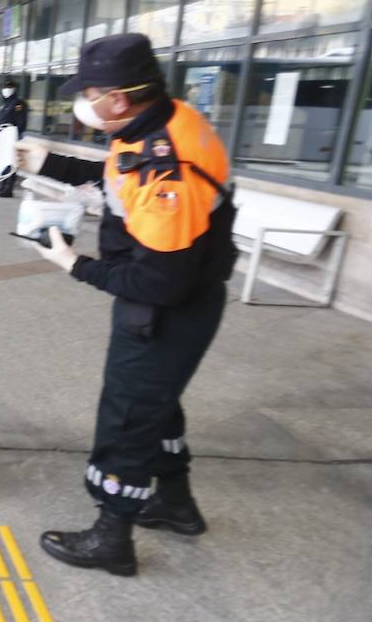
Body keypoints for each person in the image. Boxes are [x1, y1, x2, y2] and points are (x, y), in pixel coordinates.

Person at [16, 33, 235, 577]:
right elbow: (118, 176)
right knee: (158, 404)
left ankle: (112, 536)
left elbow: (159, 281)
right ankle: (177, 505)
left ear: (117, 98)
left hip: (165, 309)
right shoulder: (167, 120)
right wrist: (51, 162)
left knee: (130, 411)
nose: (83, 101)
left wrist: (75, 264)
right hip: (188, 298)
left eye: (89, 91)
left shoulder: (165, 171)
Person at [0, 78, 28, 197]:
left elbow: (21, 121)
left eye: (9, 87)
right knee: (1, 160)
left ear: (14, 89)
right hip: (2, 136)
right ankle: (1, 185)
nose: (6, 90)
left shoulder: (18, 104)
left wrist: (16, 136)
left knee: (10, 161)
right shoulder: (5, 103)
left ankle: (8, 188)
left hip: (12, 136)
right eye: (5, 87)